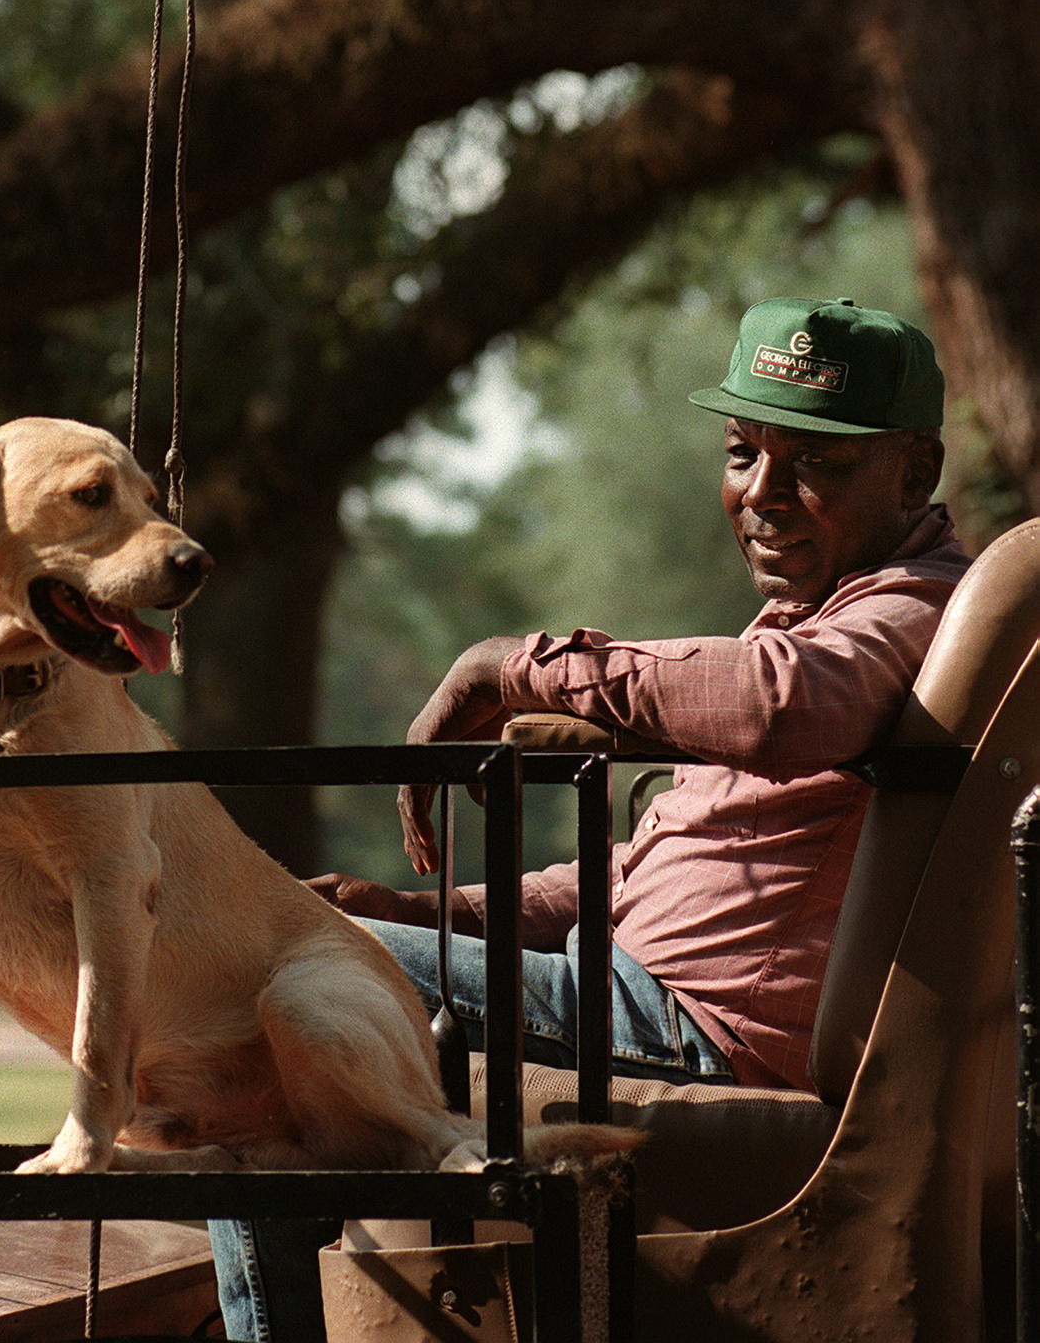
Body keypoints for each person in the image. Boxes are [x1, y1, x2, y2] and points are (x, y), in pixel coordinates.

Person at [211, 296, 972, 1342]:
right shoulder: (837, 614)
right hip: (634, 993)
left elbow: (780, 700)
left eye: (819, 465)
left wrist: (513, 664)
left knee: (249, 983)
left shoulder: (912, 610)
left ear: (914, 474)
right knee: (293, 963)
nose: (764, 495)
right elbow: (659, 865)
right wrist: (440, 912)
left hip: (687, 1025)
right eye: (743, 451)